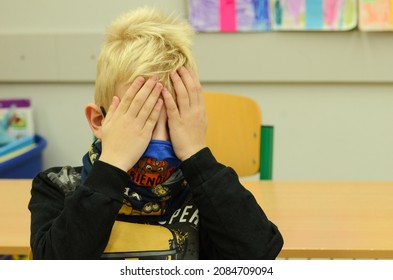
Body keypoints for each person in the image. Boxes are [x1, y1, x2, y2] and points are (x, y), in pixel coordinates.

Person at [28, 7, 283, 260]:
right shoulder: (57, 188)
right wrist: (114, 163)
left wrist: (196, 154)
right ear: (99, 120)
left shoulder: (204, 195)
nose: (160, 141)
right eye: (143, 123)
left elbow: (259, 257)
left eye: (173, 125)